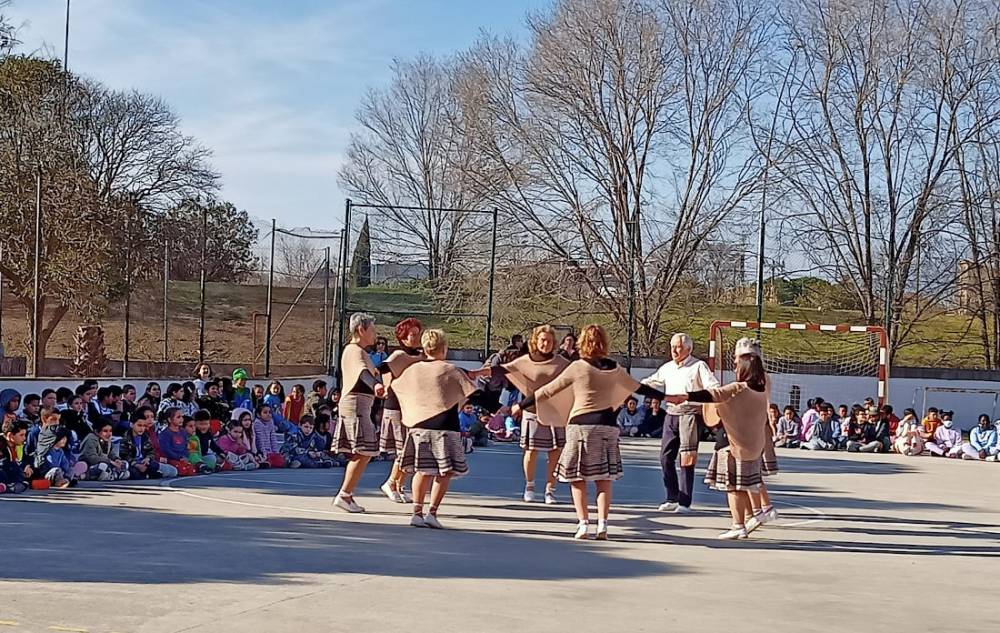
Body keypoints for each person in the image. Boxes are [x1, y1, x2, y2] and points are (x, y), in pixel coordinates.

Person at [528, 324, 666, 540]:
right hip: (608, 426)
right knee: (604, 478)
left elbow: (548, 390)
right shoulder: (615, 368)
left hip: (580, 426)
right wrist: (667, 397)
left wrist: (521, 405)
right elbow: (638, 388)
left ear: (582, 342)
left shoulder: (578, 367)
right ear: (604, 342)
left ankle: (583, 523)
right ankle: (603, 524)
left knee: (576, 477)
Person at [389, 328, 490, 529]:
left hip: (419, 426)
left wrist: (412, 409)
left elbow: (396, 386)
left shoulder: (413, 369)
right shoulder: (450, 369)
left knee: (422, 470)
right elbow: (474, 392)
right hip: (445, 426)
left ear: (425, 347)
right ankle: (432, 512)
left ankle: (416, 512)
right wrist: (504, 408)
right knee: (444, 472)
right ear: (444, 347)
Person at [666, 350, 770, 540]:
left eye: (738, 364)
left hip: (732, 445)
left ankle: (738, 525)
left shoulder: (739, 388)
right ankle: (749, 518)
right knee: (744, 486)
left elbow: (714, 394)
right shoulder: (761, 392)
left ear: (745, 369)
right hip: (753, 447)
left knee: (733, 488)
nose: (735, 367)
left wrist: (686, 396)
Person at [640, 332, 719, 514]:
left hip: (690, 413)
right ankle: (671, 496)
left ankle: (685, 501)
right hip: (670, 413)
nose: (675, 350)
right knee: (665, 457)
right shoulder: (667, 368)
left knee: (687, 458)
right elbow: (651, 381)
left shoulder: (699, 366)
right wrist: (630, 386)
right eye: (673, 346)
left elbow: (713, 387)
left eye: (679, 347)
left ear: (689, 349)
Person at [496, 324, 572, 505]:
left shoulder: (562, 362)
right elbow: (503, 369)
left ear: (554, 343)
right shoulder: (525, 361)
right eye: (542, 340)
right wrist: (475, 374)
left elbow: (575, 378)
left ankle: (550, 489)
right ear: (535, 341)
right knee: (531, 451)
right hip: (532, 411)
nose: (545, 344)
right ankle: (529, 486)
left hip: (556, 413)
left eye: (549, 341)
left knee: (555, 452)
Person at [331, 312, 386, 513]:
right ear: (361, 330)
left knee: (364, 452)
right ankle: (345, 494)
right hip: (356, 404)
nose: (375, 335)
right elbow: (362, 372)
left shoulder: (360, 351)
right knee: (364, 451)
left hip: (361, 404)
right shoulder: (354, 350)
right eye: (372, 330)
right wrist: (376, 386)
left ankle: (347, 494)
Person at [375, 317, 424, 503]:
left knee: (412, 450)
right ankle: (390, 482)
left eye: (418, 334)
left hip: (413, 406)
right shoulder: (398, 355)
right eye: (412, 334)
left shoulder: (420, 354)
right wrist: (386, 386)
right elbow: (382, 368)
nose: (416, 338)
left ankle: (399, 484)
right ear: (403, 337)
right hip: (396, 407)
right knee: (404, 450)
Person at [120, 407, 176, 479]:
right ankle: (148, 475)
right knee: (134, 473)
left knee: (156, 467)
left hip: (145, 463)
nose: (142, 428)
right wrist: (136, 464)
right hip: (133, 464)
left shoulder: (145, 436)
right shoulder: (126, 438)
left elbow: (151, 451)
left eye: (144, 426)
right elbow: (124, 455)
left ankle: (149, 474)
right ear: (132, 425)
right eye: (139, 426)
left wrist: (147, 459)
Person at [157, 408, 197, 477]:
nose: (182, 419)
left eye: (182, 416)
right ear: (169, 419)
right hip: (171, 459)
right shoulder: (165, 434)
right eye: (178, 417)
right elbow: (166, 450)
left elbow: (186, 446)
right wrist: (179, 457)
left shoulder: (183, 432)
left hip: (182, 459)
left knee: (191, 470)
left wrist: (185, 457)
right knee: (182, 470)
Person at [1, 419, 31, 493]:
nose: (24, 438)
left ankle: (9, 487)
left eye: (25, 435)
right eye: (21, 435)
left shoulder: (19, 446)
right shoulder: (1, 444)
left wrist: (26, 466)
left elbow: (22, 459)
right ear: (10, 435)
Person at [252, 403, 285, 468]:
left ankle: (269, 462)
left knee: (281, 460)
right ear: (258, 415)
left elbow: (273, 438)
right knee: (262, 458)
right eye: (265, 412)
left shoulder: (271, 422)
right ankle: (264, 462)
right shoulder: (257, 424)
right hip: (261, 452)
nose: (268, 414)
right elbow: (259, 441)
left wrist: (275, 452)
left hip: (270, 452)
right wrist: (264, 454)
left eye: (270, 412)